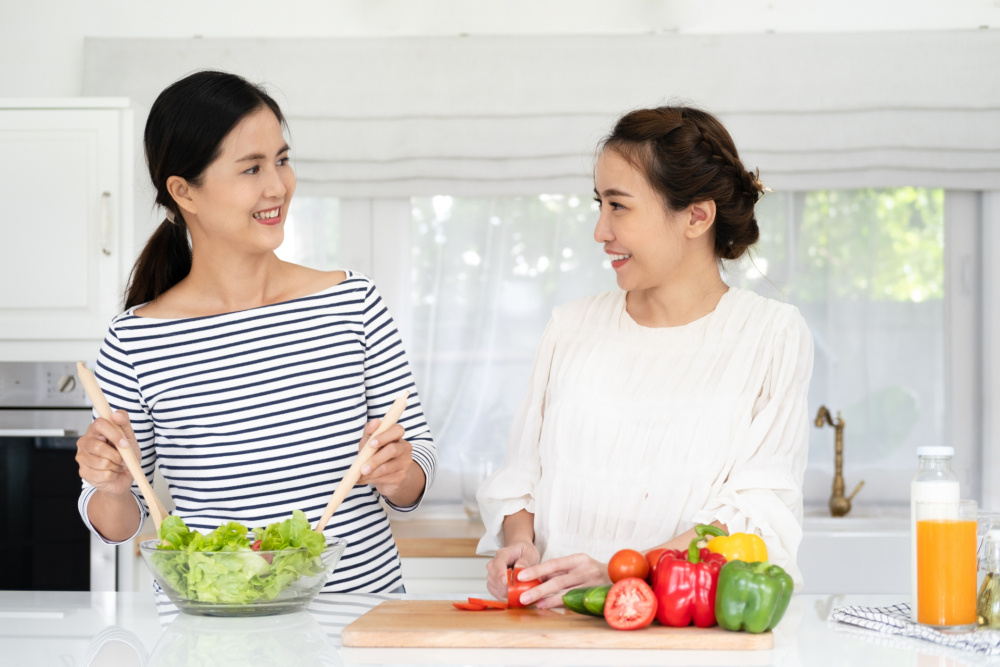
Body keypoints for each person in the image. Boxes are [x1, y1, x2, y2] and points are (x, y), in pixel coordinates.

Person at [74, 71, 435, 594]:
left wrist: (401, 474)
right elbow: (119, 524)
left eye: (282, 160)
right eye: (251, 168)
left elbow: (417, 460)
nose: (277, 186)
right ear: (184, 192)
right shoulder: (136, 341)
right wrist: (108, 484)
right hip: (213, 630)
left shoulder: (352, 303)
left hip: (355, 626)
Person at [477, 106, 814, 607]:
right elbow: (521, 479)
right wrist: (520, 544)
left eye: (619, 206)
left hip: (687, 638)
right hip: (555, 631)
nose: (599, 230)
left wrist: (621, 577)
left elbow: (754, 514)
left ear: (696, 216)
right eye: (599, 203)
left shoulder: (770, 336)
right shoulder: (570, 328)